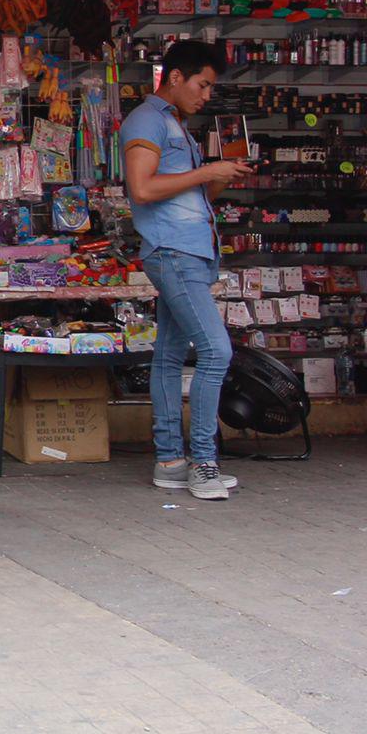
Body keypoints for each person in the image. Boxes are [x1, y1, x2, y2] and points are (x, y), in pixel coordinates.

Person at [122, 40, 249, 501]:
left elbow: (189, 198)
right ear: (175, 77)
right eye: (203, 84)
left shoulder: (174, 124)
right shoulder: (147, 120)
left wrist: (216, 176)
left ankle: (171, 461)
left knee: (169, 357)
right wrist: (205, 171)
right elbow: (141, 188)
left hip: (187, 250)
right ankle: (204, 462)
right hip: (173, 252)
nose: (207, 95)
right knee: (217, 352)